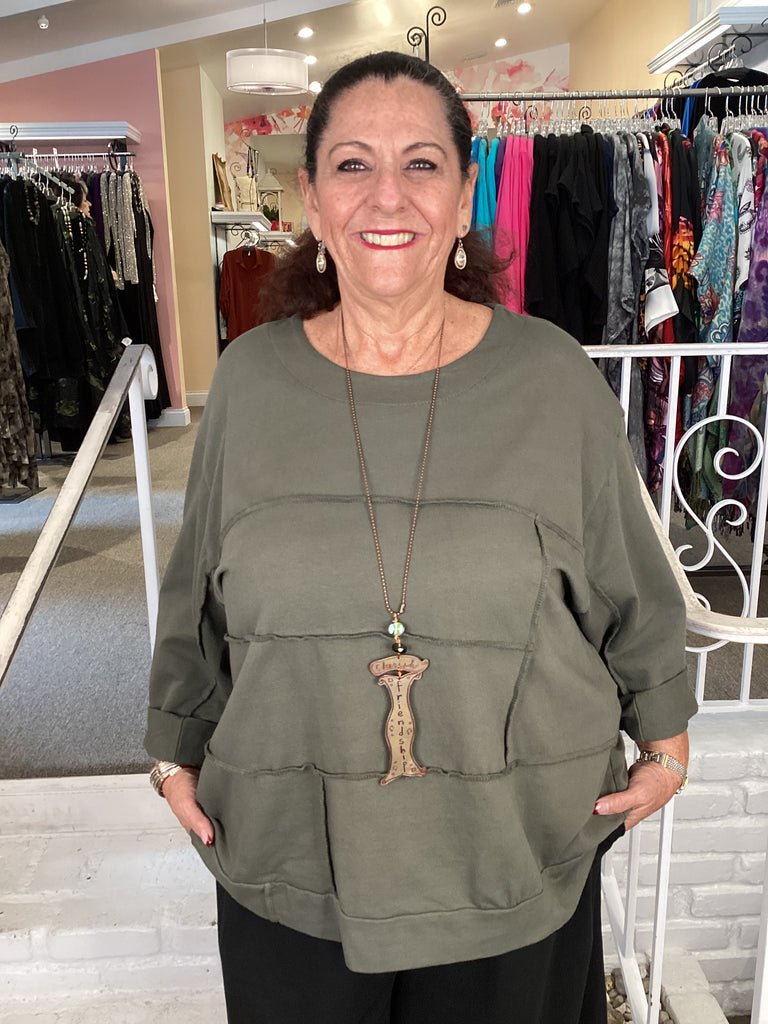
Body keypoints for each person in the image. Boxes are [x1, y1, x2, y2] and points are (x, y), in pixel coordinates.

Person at [145, 51, 697, 1024]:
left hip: (509, 856)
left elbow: (630, 583)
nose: (387, 195)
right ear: (313, 201)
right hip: (290, 855)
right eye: (353, 165)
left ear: (464, 193)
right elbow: (198, 596)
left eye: (422, 163)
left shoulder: (552, 378)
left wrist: (667, 736)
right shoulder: (250, 381)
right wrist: (170, 747)